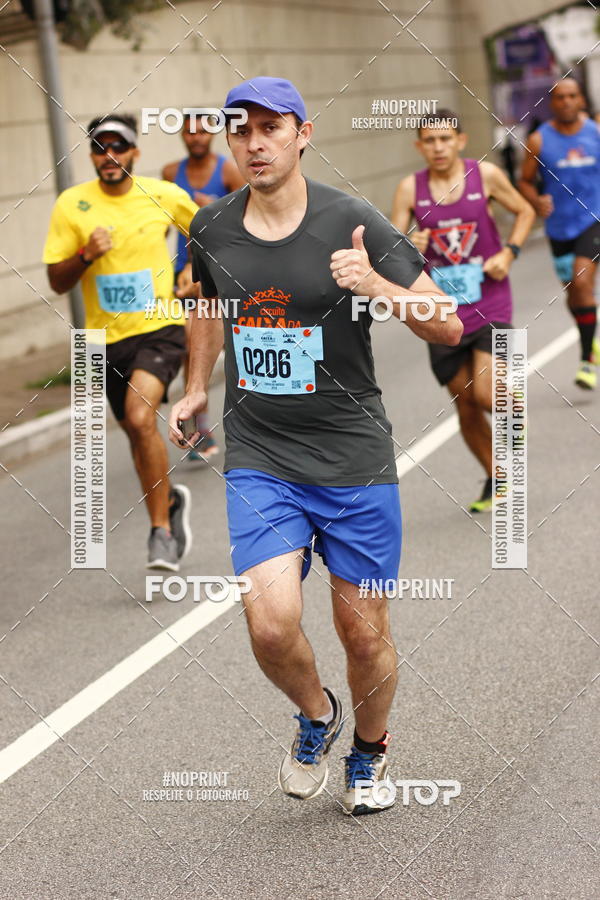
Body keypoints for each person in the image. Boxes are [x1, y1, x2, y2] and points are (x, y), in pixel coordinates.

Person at [169, 77, 462, 816]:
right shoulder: (212, 226)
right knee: (269, 622)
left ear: (303, 134)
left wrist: (376, 285)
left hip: (353, 455)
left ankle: (369, 753)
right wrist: (196, 385)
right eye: (243, 130)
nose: (255, 142)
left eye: (272, 128)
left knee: (364, 636)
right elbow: (205, 301)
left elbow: (448, 323)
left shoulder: (351, 220)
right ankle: (316, 717)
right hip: (262, 453)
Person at [43, 113, 199, 571]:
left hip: (160, 326)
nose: (108, 156)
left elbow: (210, 235)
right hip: (99, 341)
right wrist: (85, 254)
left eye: (118, 147)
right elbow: (56, 280)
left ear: (134, 152)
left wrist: (194, 273)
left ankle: (161, 534)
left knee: (138, 412)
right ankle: (168, 501)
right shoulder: (72, 205)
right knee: (136, 429)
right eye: (99, 147)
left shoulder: (164, 194)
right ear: (92, 155)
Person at [392, 110, 535, 512]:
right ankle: (498, 477)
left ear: (460, 140)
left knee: (488, 392)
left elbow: (524, 211)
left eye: (445, 139)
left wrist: (510, 251)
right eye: (429, 141)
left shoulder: (485, 176)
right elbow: (389, 250)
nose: (438, 147)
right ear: (419, 146)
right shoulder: (409, 189)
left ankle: (515, 416)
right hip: (439, 310)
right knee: (465, 400)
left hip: (490, 300)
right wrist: (409, 244)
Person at [162, 112, 245, 461]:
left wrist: (209, 208)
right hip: (185, 271)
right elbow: (161, 222)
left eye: (202, 131)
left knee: (238, 344)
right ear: (181, 136)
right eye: (188, 131)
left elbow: (246, 215)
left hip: (223, 270)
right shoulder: (170, 173)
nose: (195, 137)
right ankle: (198, 427)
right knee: (189, 347)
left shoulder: (226, 171)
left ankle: (247, 419)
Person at [519, 77, 600, 389]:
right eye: (560, 97)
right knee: (573, 293)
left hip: (593, 219)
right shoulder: (539, 140)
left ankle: (586, 362)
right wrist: (536, 200)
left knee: (582, 281)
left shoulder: (595, 133)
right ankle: (589, 334)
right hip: (559, 227)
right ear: (552, 103)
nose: (566, 102)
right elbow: (524, 181)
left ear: (581, 99)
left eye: (572, 96)